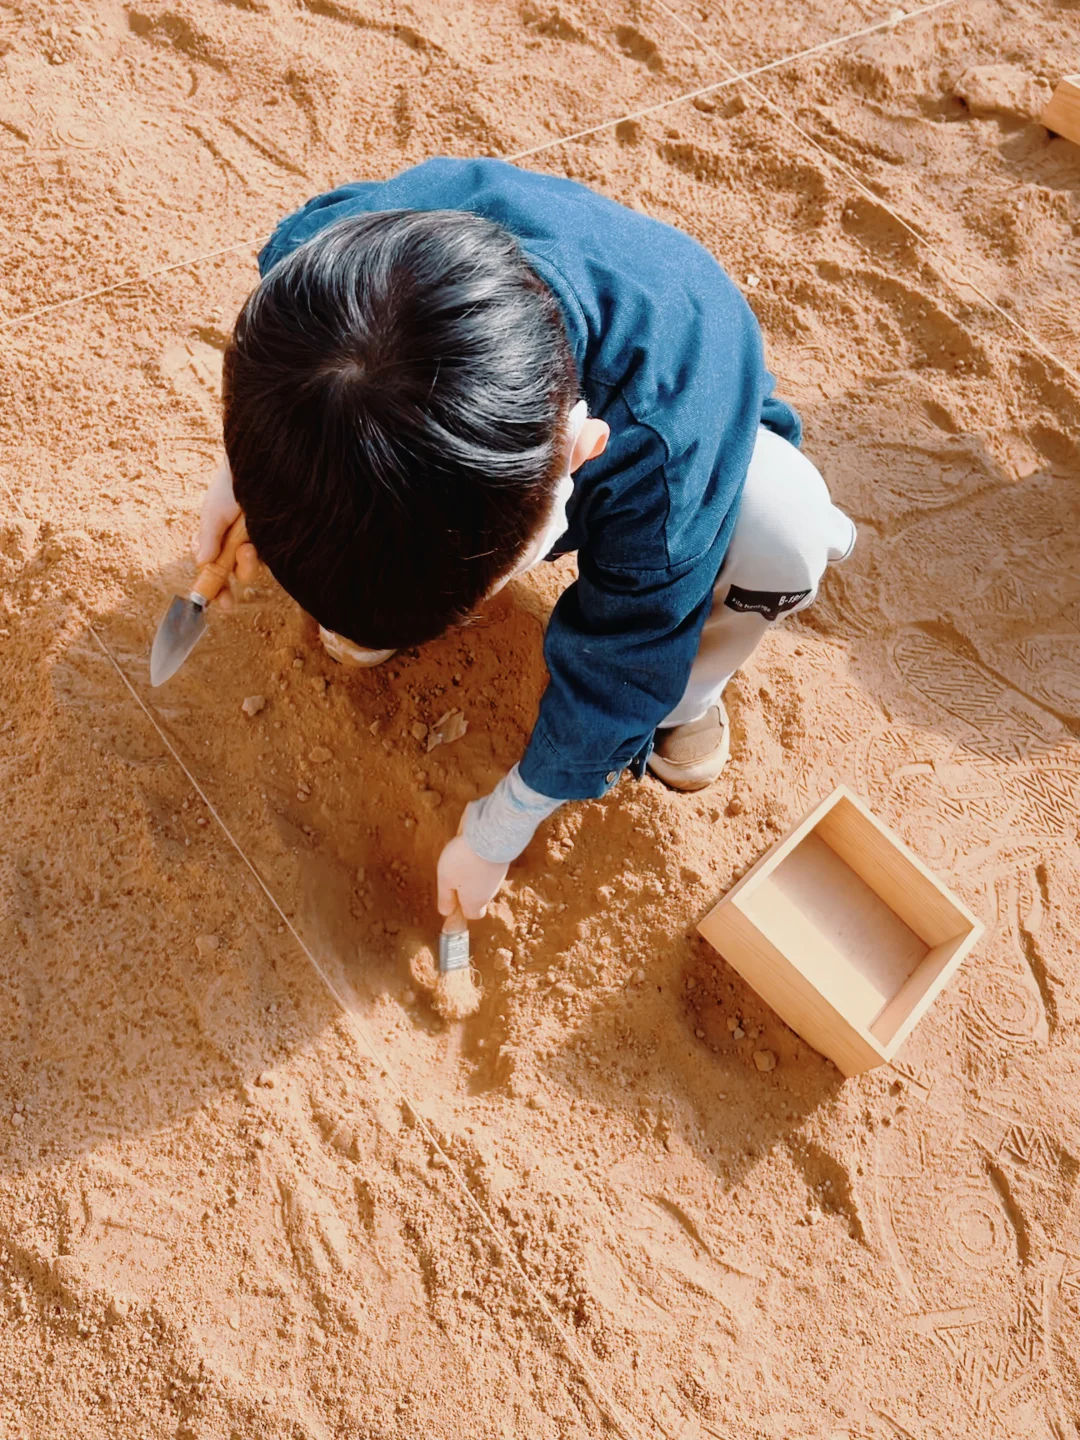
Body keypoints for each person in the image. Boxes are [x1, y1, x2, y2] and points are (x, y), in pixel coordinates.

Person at [196, 157, 855, 924]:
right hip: (478, 425)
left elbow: (627, 656)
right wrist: (250, 470)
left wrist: (503, 825)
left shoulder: (668, 441)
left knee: (781, 526)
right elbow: (296, 380)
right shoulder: (322, 283)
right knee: (350, 517)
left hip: (677, 433)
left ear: (580, 452)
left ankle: (690, 697)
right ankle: (385, 581)